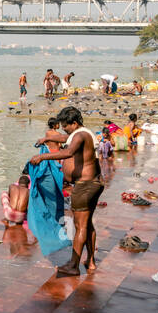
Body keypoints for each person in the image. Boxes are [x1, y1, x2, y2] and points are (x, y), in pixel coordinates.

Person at [27, 105, 101, 276]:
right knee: (87, 224)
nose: (63, 128)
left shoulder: (80, 135)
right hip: (92, 184)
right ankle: (90, 261)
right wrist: (46, 140)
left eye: (65, 125)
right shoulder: (81, 133)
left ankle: (73, 266)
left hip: (85, 186)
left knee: (80, 225)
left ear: (74, 123)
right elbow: (65, 138)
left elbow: (68, 152)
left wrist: (42, 156)